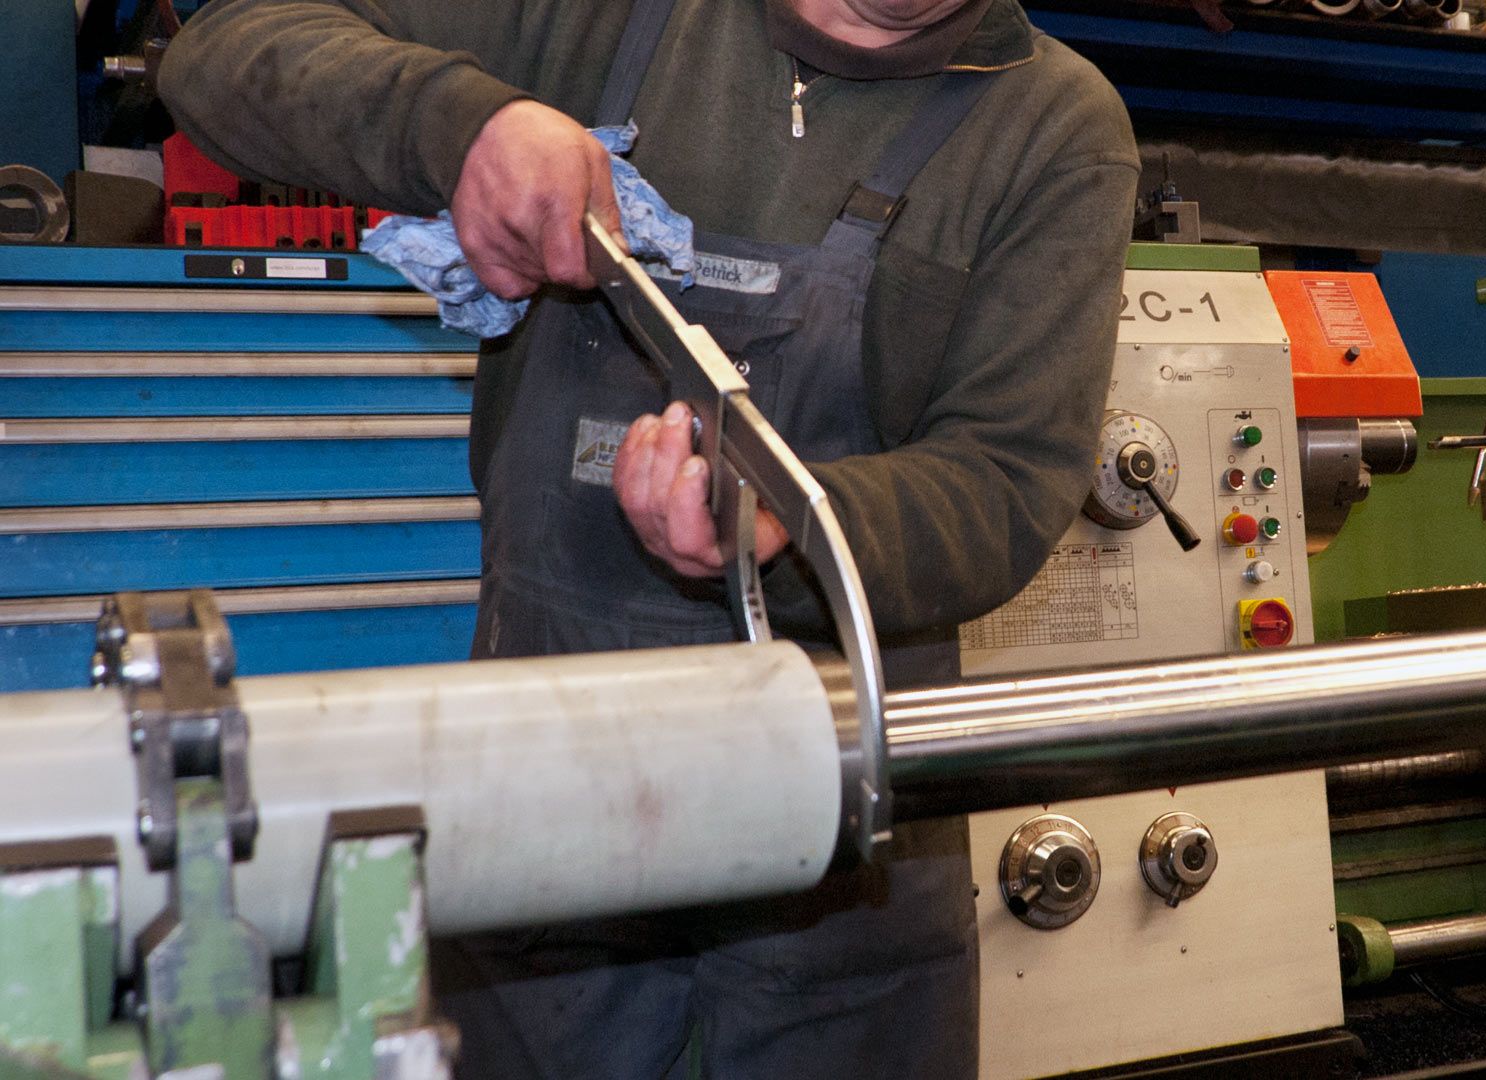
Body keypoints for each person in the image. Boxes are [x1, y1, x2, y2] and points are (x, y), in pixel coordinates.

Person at [160, 0, 1138, 1075]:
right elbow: (225, 46)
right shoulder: (597, 15)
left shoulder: (1053, 126)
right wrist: (464, 127)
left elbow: (1007, 479)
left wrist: (790, 526)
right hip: (544, 849)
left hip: (845, 883)